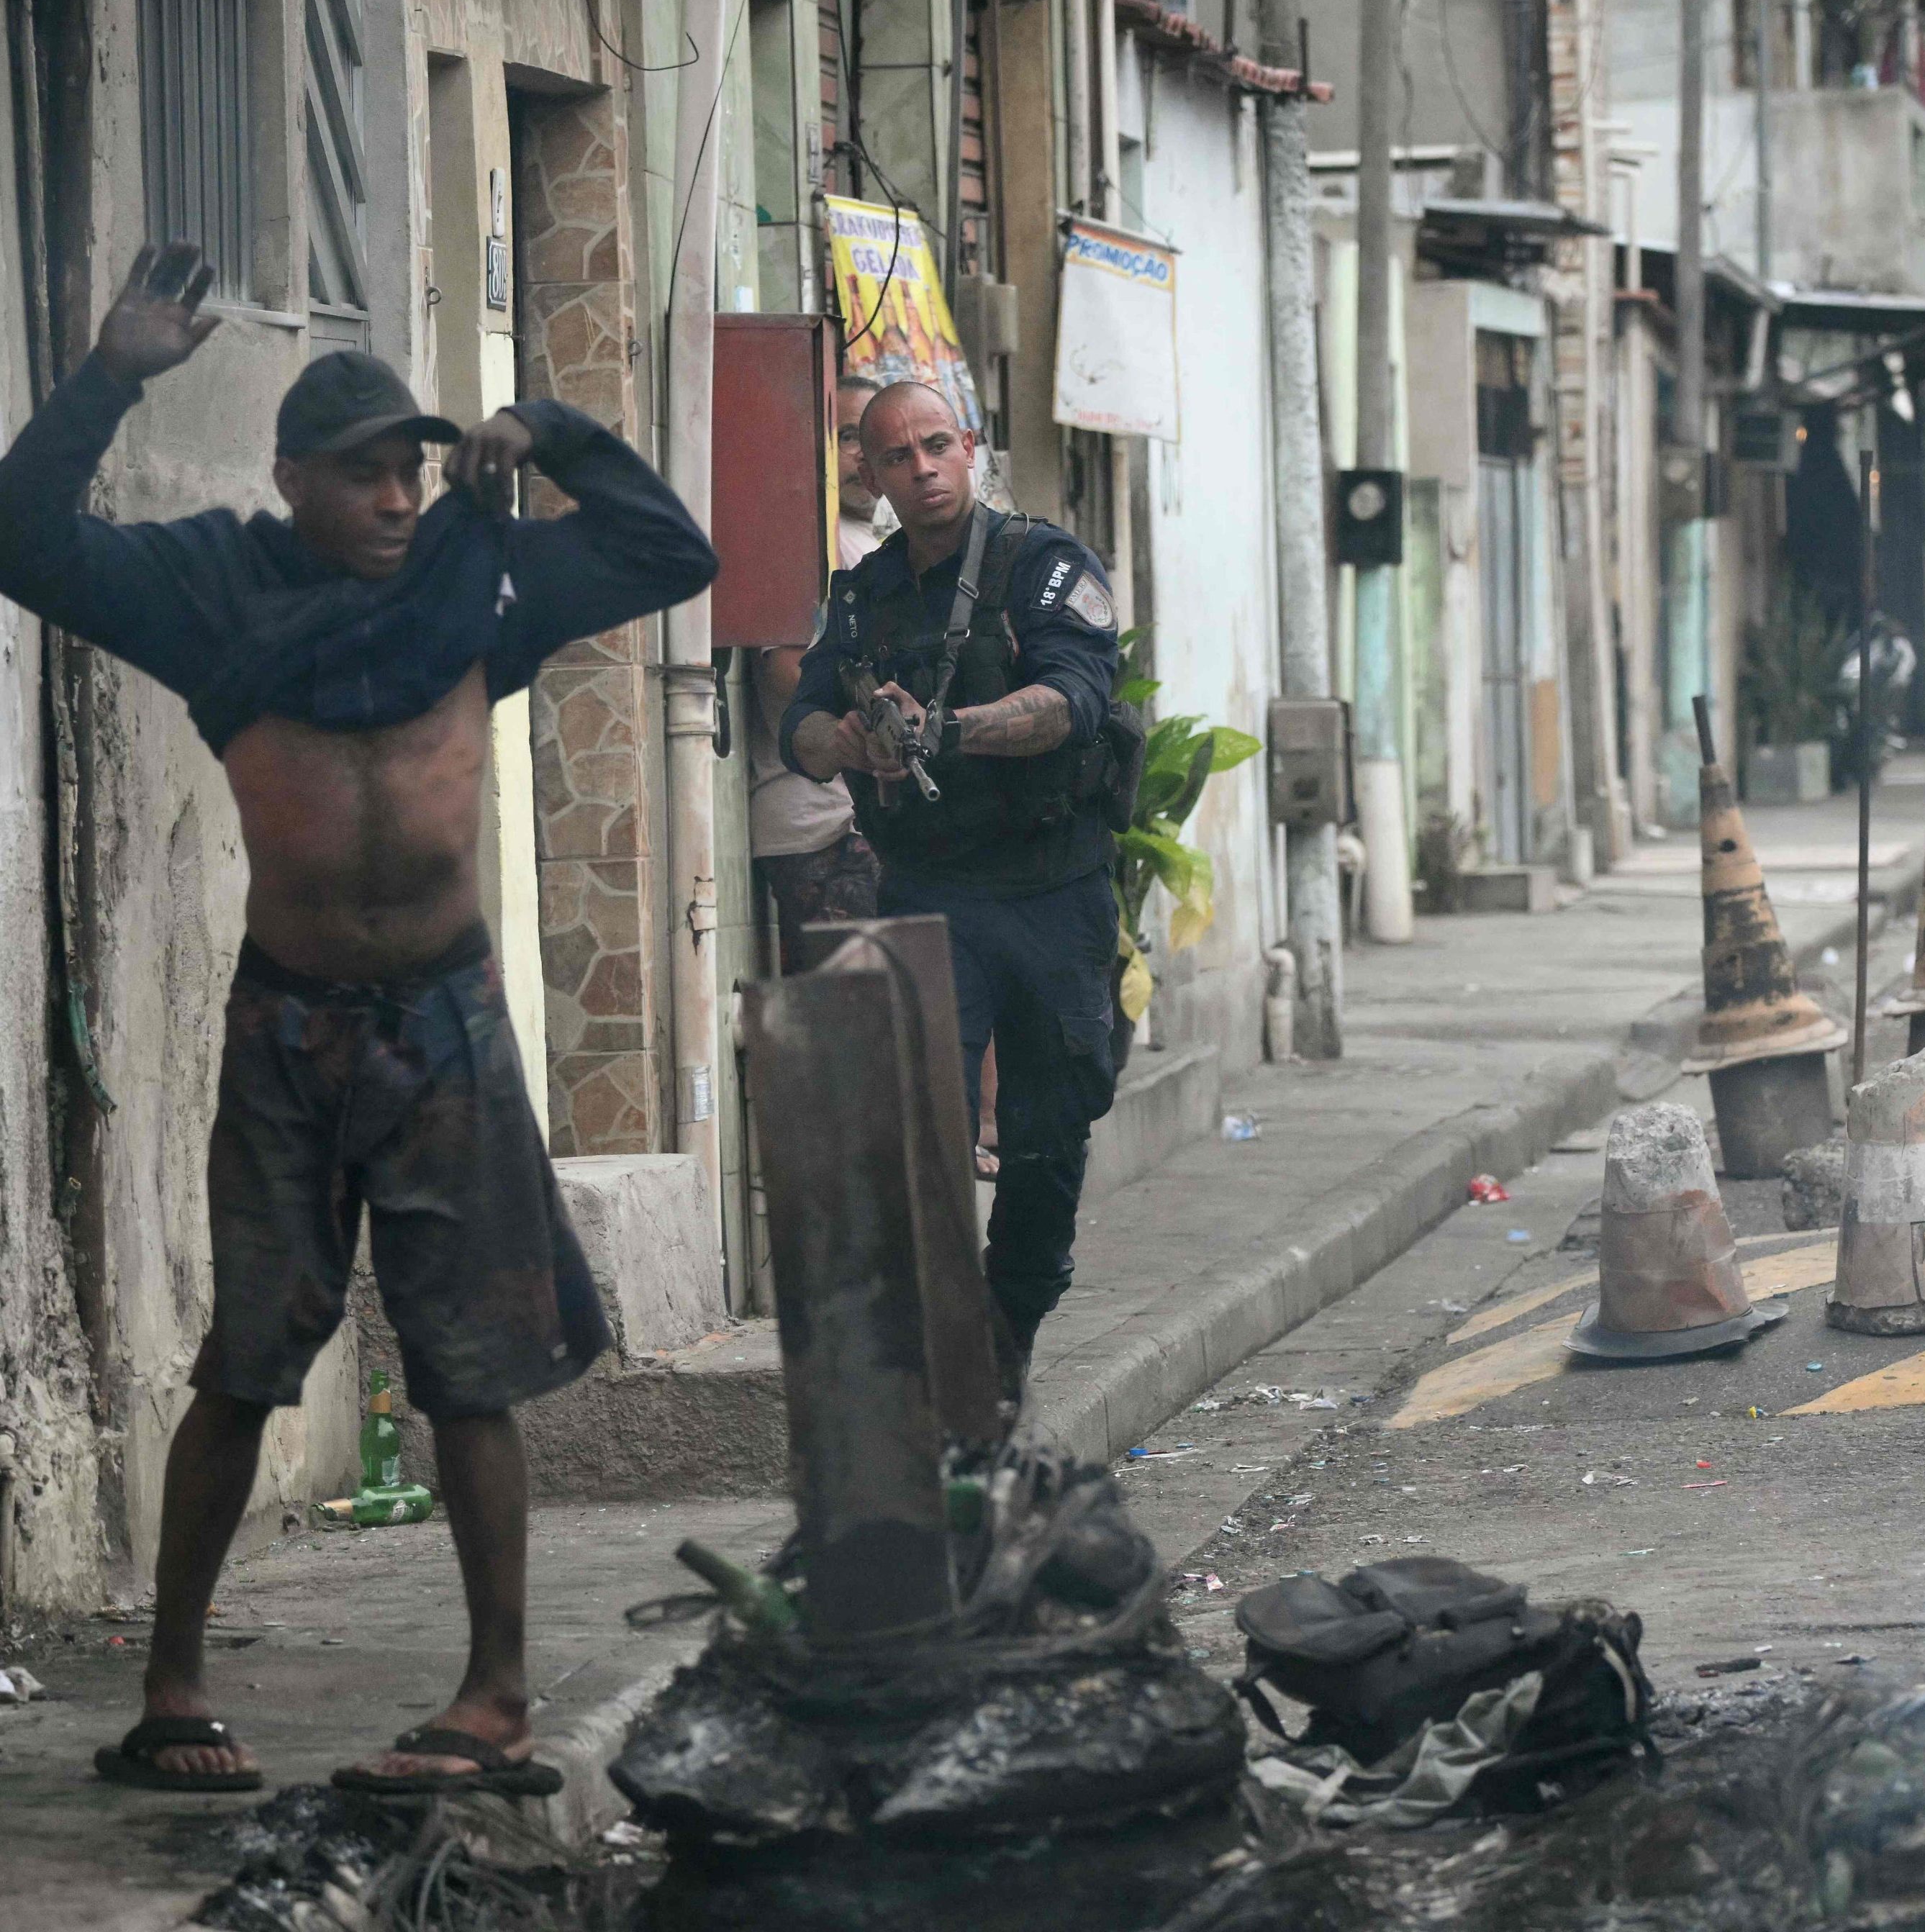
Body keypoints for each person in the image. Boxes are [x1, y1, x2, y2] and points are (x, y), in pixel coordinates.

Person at [0, 246, 715, 1797]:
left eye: (413, 469)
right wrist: (111, 374)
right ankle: (173, 1685)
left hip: (448, 1019)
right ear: (292, 478)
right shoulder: (215, 590)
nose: (398, 498)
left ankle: (499, 1691)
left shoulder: (485, 576)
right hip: (289, 1027)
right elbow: (21, 537)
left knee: (473, 1364)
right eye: (366, 474)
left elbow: (676, 552)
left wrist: (555, 429)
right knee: (246, 1360)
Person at [784, 380, 1124, 1371]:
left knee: (1047, 1135)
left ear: (969, 448)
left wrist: (949, 732)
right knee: (913, 1127)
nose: (922, 469)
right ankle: (938, 1349)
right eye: (898, 456)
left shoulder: (1041, 565)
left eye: (937, 446)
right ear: (874, 473)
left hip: (1052, 891)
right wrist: (847, 739)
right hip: (929, 895)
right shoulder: (866, 592)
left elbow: (1076, 699)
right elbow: (796, 727)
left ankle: (1008, 1322)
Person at [748, 374, 886, 974]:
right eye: (847, 435)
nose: (863, 454)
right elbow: (784, 668)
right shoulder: (808, 538)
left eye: (873, 437)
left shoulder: (878, 538)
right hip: (825, 830)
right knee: (849, 1038)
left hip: (867, 824)